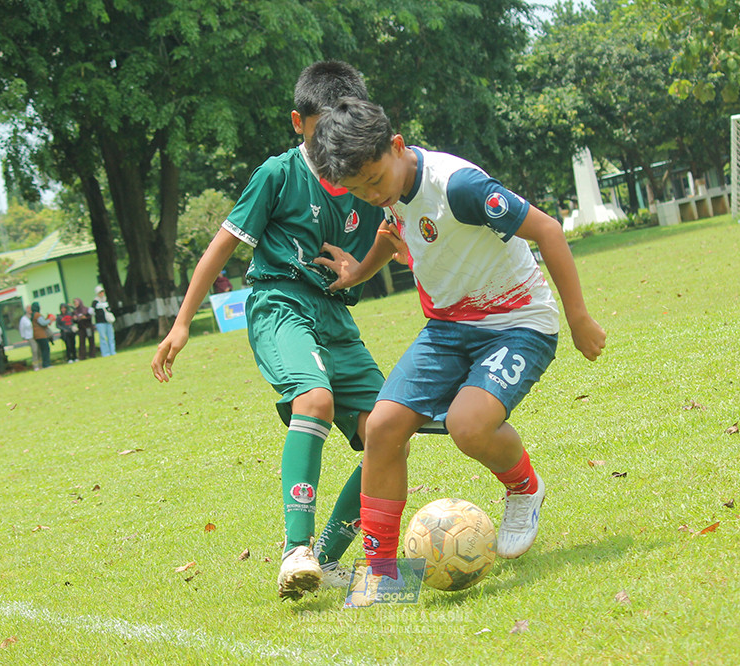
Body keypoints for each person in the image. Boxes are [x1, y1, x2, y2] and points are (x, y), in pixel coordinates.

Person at [307, 98, 606, 596]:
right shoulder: (391, 189)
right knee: (382, 427)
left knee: (468, 426)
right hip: (447, 328)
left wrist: (578, 318)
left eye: (375, 181)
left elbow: (548, 230)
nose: (373, 195)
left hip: (518, 324)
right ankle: (383, 576)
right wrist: (357, 271)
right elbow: (392, 228)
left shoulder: (460, 187)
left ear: (398, 146)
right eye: (359, 191)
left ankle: (524, 489)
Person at [150, 61, 391, 600]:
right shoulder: (278, 175)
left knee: (387, 430)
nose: (335, 136)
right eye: (323, 123)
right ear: (298, 122)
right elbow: (222, 247)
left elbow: (392, 242)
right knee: (314, 399)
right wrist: (183, 322)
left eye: (345, 122)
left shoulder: (365, 178)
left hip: (335, 315)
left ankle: (324, 561)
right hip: (280, 303)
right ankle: (295, 549)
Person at [91, 285, 117, 357]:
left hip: (108, 321)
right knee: (103, 338)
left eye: (102, 292)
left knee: (111, 337)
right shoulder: (95, 301)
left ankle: (113, 351)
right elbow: (91, 311)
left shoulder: (106, 300)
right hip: (100, 322)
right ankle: (105, 353)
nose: (101, 293)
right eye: (100, 292)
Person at [31, 302, 53, 368]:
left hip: (37, 335)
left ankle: (45, 364)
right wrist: (49, 320)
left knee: (43, 349)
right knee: (45, 349)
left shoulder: (33, 314)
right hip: (41, 335)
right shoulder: (37, 315)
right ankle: (46, 364)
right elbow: (43, 323)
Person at [18, 305, 40, 371]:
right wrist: (23, 336)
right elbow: (22, 328)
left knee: (39, 349)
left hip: (37, 335)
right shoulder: (24, 319)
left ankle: (41, 363)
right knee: (34, 350)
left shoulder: (34, 316)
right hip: (30, 336)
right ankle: (36, 365)